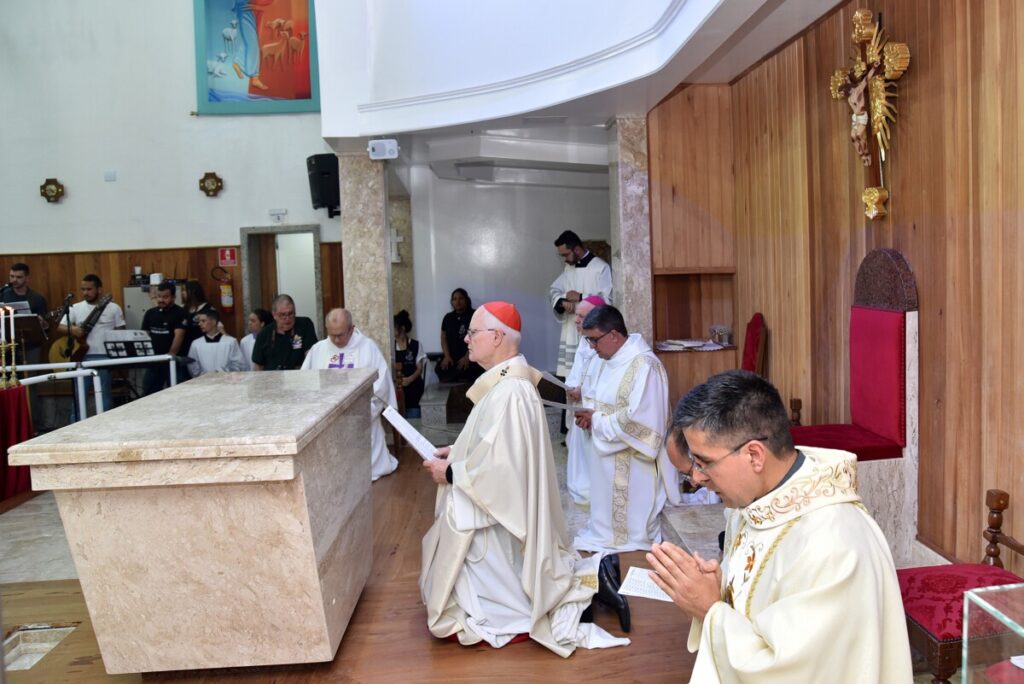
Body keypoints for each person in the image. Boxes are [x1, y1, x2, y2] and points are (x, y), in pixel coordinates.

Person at [647, 370, 913, 683]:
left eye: (704, 462)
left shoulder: (833, 544)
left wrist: (710, 610)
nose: (696, 477)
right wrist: (720, 591)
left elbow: (793, 671)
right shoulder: (756, 505)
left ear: (754, 455)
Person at [419, 301, 629, 656]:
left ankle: (577, 592)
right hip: (498, 504)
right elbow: (493, 444)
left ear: (496, 336)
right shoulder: (505, 383)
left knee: (465, 538)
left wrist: (452, 473)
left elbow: (504, 470)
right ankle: (597, 578)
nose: (466, 339)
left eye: (472, 332)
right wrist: (456, 451)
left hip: (501, 520)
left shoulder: (512, 391)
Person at [572, 305, 679, 553]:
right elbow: (595, 398)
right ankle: (607, 533)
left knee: (630, 528)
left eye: (594, 340)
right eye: (588, 340)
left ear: (613, 335)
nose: (591, 347)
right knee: (605, 518)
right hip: (605, 458)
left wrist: (597, 420)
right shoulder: (603, 359)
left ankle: (628, 539)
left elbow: (642, 422)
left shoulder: (645, 366)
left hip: (635, 463)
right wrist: (588, 417)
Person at [301, 308, 398, 481]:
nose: (336, 340)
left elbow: (381, 386)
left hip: (360, 414)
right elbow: (305, 384)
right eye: (332, 335)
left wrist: (364, 411)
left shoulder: (368, 347)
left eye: (340, 335)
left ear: (352, 329)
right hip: (327, 418)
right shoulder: (318, 350)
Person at [56, 274, 126, 418]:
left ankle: (106, 424)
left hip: (105, 357)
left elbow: (121, 332)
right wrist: (74, 330)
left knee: (105, 397)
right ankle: (75, 425)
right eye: (83, 289)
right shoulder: (76, 308)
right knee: (79, 397)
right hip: (82, 356)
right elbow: (60, 327)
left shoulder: (114, 308)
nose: (85, 293)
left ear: (99, 289)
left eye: (89, 289)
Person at [549, 231, 612, 378]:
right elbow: (553, 290)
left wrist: (581, 297)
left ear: (576, 249)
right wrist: (562, 301)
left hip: (592, 329)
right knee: (572, 376)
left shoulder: (600, 268)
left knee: (591, 375)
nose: (564, 259)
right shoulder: (569, 269)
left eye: (566, 255)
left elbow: (608, 299)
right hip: (572, 329)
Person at [562, 295, 606, 505]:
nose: (576, 320)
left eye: (582, 316)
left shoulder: (603, 344)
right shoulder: (584, 342)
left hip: (596, 410)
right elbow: (577, 371)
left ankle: (593, 489)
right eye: (576, 315)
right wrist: (572, 387)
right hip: (582, 405)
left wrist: (583, 390)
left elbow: (604, 378)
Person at [140, 281, 188, 395]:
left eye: (165, 297)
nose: (161, 300)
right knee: (148, 394)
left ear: (174, 297)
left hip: (173, 362)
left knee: (177, 394)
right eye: (159, 296)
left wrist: (170, 355)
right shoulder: (150, 313)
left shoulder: (180, 313)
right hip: (154, 362)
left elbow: (179, 335)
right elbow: (144, 335)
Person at [251, 294, 317, 371]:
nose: (287, 318)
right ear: (274, 315)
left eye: (291, 314)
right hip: (273, 376)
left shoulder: (305, 325)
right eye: (282, 315)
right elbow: (258, 365)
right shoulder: (264, 334)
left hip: (299, 374)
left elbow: (311, 354)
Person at [3, 262, 49, 365]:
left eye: (19, 277)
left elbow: (46, 328)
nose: (14, 280)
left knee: (30, 373)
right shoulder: (3, 295)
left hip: (30, 346)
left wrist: (42, 323)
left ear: (27, 278)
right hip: (7, 345)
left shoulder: (37, 299)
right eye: (12, 276)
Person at [436, 288, 482, 383]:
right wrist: (447, 356)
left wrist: (467, 357)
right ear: (452, 302)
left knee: (471, 369)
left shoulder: (474, 315)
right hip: (452, 357)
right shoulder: (448, 317)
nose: (458, 301)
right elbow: (443, 337)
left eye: (461, 298)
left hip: (470, 356)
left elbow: (477, 337)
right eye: (455, 299)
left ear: (466, 300)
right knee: (441, 368)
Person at [186, 309, 244, 377]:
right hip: (203, 381)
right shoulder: (196, 344)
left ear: (214, 322)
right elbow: (192, 364)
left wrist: (220, 373)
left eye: (203, 321)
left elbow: (238, 364)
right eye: (199, 321)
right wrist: (205, 376)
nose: (199, 324)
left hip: (226, 380)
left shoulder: (230, 342)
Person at [393, 309, 426, 419]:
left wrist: (409, 379)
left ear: (402, 328)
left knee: (414, 421)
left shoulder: (416, 345)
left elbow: (419, 368)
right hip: (397, 392)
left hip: (414, 391)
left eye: (394, 327)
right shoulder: (391, 346)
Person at [180, 280, 217, 356]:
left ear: (193, 291)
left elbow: (217, 327)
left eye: (185, 290)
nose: (182, 293)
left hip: (203, 346)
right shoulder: (183, 308)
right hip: (186, 347)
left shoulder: (207, 308)